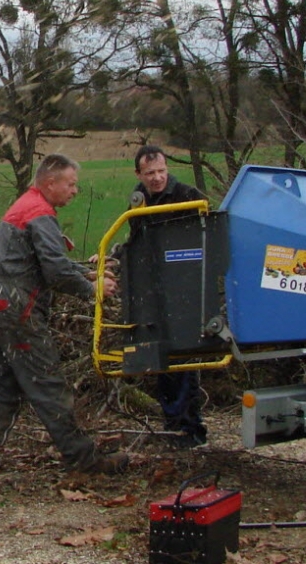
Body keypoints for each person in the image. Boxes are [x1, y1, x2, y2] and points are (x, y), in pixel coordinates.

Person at [0, 154, 129, 476]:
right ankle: (82, 458)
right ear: (50, 183)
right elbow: (55, 271)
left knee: (9, 382)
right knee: (47, 382)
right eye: (70, 184)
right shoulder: (40, 213)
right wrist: (92, 290)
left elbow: (47, 262)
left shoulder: (27, 205)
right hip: (16, 308)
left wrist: (90, 273)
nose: (74, 191)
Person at [126, 145, 209, 449]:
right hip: (154, 291)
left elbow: (206, 235)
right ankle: (172, 425)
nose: (157, 178)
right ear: (139, 175)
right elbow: (134, 241)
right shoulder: (138, 200)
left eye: (161, 171)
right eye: (150, 174)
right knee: (161, 361)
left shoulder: (188, 195)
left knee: (184, 361)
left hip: (185, 287)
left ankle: (190, 428)